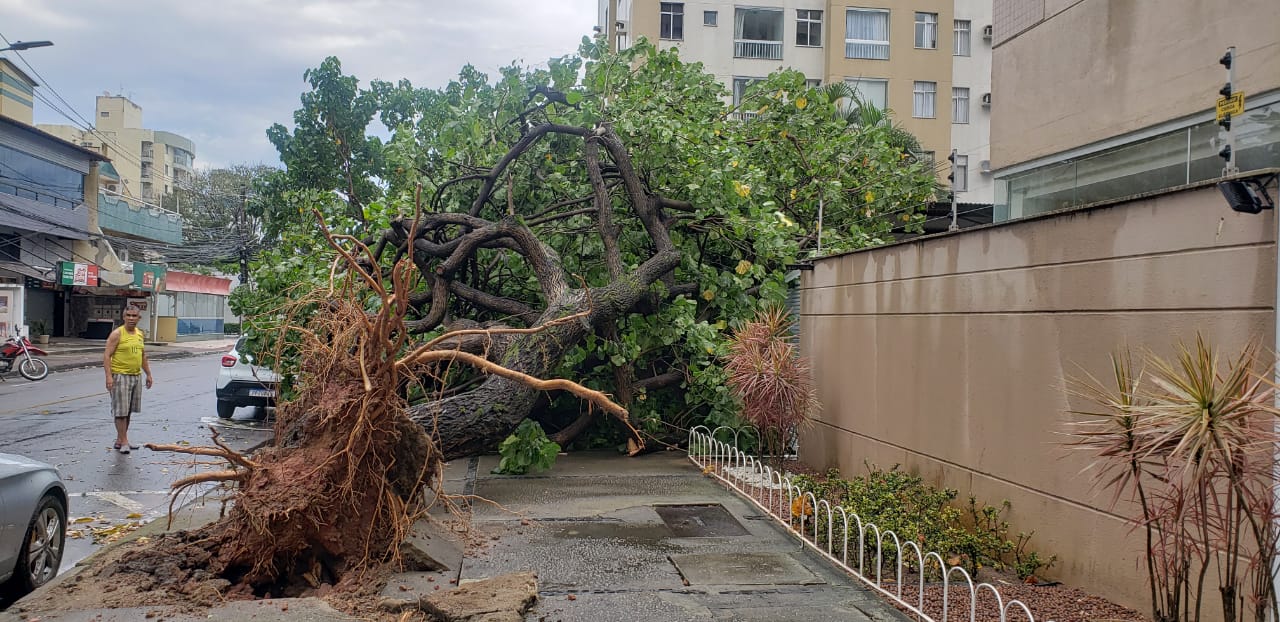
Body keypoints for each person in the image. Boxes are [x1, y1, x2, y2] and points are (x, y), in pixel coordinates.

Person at [103, 308, 153, 454]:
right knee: (120, 411)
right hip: (120, 375)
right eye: (128, 315)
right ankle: (124, 441)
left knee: (129, 410)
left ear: (139, 318)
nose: (131, 318)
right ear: (124, 317)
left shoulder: (139, 334)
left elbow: (143, 356)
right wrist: (109, 377)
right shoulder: (117, 334)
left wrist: (148, 374)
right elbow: (106, 356)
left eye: (134, 316)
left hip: (135, 376)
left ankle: (120, 440)